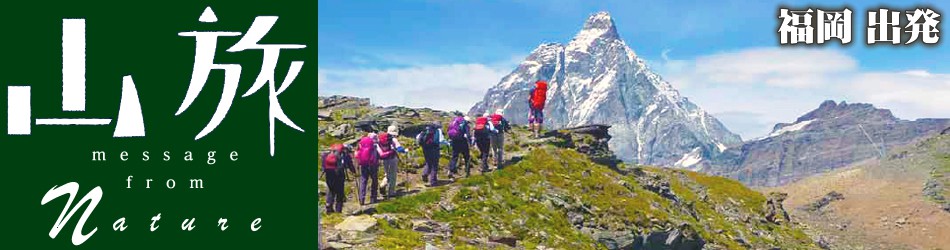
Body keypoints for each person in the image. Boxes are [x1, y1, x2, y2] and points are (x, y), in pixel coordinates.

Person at [321, 143, 355, 213]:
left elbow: (323, 166)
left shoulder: (327, 153)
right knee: (340, 192)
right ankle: (338, 210)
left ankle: (329, 204)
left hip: (329, 174)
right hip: (339, 175)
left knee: (330, 189)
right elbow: (350, 165)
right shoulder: (345, 155)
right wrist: (354, 172)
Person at [378, 125, 406, 198]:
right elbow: (399, 149)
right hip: (392, 159)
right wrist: (405, 151)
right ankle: (391, 192)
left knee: (387, 174)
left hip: (384, 159)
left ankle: (382, 185)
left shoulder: (381, 139)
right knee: (393, 175)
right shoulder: (393, 139)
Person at [417, 122, 447, 186]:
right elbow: (440, 141)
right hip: (434, 149)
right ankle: (433, 182)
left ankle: (424, 174)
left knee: (428, 162)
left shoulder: (425, 130)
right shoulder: (438, 131)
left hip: (425, 149)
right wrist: (447, 144)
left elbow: (418, 138)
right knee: (434, 165)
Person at [355, 133, 381, 205]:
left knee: (363, 181)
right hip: (373, 165)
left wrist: (357, 164)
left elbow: (357, 155)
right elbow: (379, 155)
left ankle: (361, 199)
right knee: (374, 181)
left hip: (363, 165)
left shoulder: (362, 143)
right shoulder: (374, 145)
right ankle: (373, 198)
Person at [446, 112, 472, 178]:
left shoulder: (454, 122)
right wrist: (470, 143)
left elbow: (448, 130)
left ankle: (451, 170)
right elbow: (468, 135)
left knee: (454, 156)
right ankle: (467, 172)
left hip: (454, 141)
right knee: (466, 156)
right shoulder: (465, 124)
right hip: (462, 141)